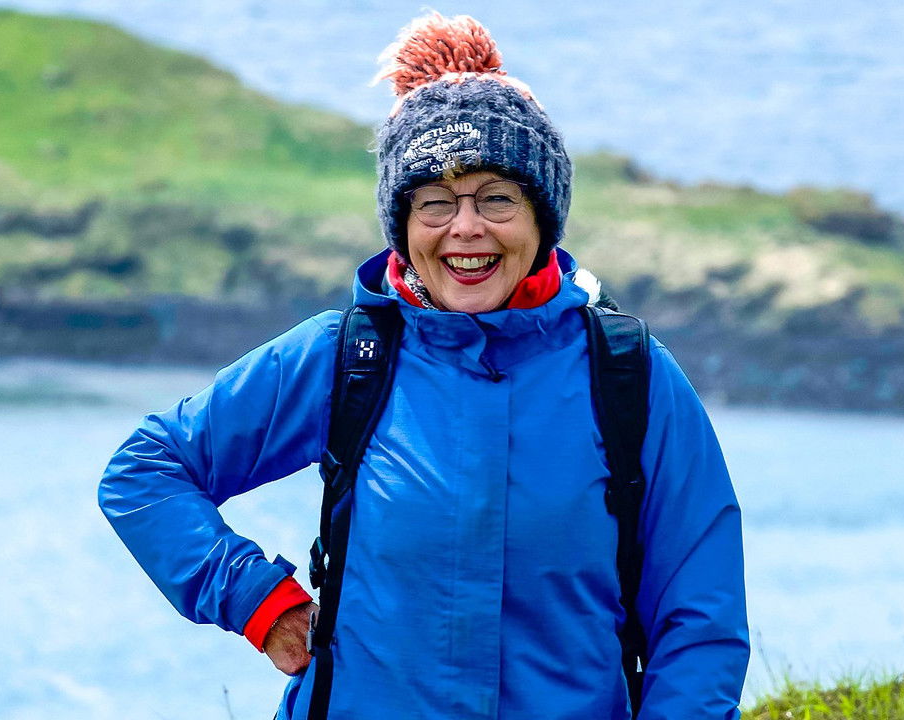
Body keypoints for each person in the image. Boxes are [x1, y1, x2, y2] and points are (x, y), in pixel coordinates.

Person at [99, 12, 748, 719]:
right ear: (403, 229)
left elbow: (701, 624)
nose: (465, 228)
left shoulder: (632, 378)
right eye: (435, 202)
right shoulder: (343, 359)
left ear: (543, 216)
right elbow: (147, 470)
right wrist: (256, 601)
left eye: (497, 197)